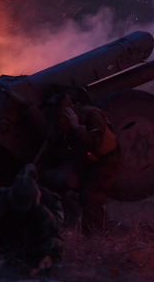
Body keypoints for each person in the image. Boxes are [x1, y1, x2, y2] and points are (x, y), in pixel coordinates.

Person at [39, 93, 122, 235]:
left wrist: (77, 127)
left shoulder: (92, 116)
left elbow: (94, 145)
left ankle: (94, 234)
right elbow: (54, 141)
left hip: (106, 160)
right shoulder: (59, 120)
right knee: (55, 182)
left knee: (91, 196)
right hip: (84, 159)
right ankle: (69, 221)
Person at [0, 164, 64, 277]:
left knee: (56, 244)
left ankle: (44, 270)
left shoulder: (49, 199)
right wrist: (2, 202)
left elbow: (56, 229)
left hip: (39, 250)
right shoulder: (4, 196)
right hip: (12, 251)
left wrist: (40, 208)